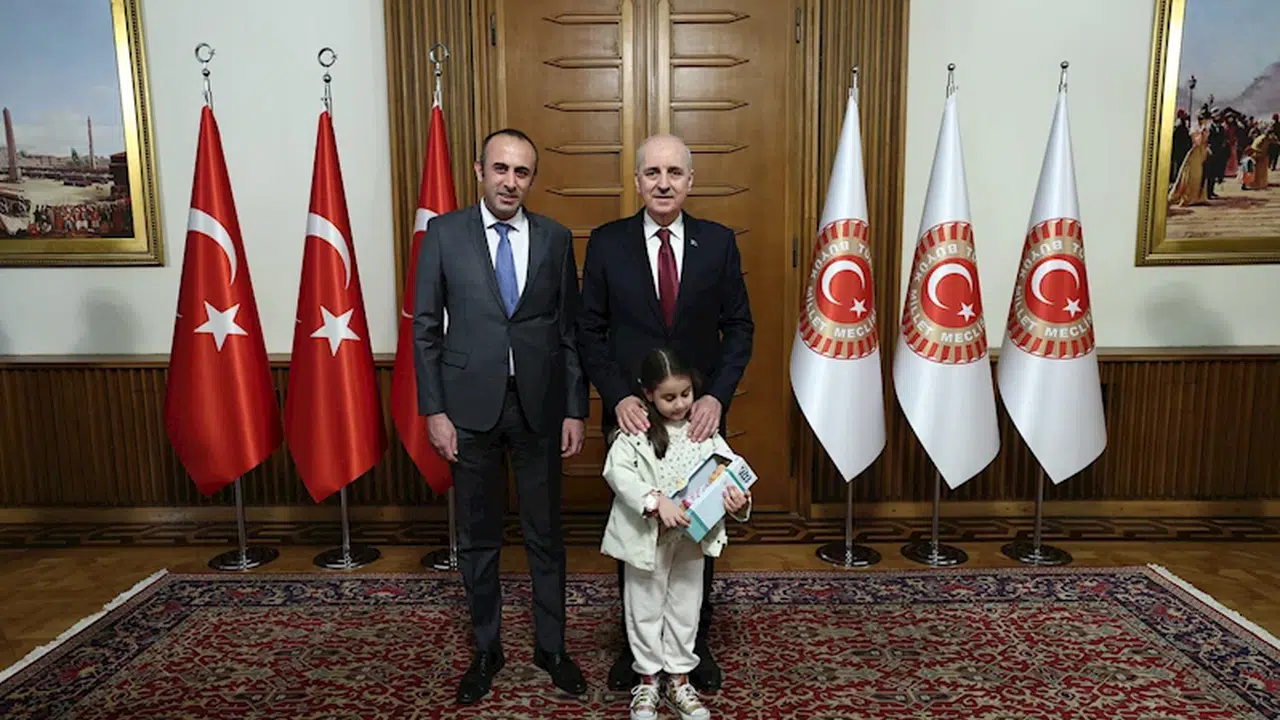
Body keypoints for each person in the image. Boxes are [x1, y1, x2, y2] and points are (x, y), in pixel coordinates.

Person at [413, 127, 589, 705]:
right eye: (500, 169)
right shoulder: (444, 234)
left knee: (546, 536)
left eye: (521, 172)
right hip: (468, 409)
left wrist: (574, 409)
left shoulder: (555, 238)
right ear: (479, 171)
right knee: (479, 538)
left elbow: (569, 332)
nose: (510, 181)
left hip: (540, 407)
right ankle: (487, 649)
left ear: (531, 179)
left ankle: (551, 649)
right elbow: (425, 330)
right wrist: (435, 411)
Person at [577, 133, 754, 693]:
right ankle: (639, 654)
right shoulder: (607, 243)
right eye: (652, 172)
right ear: (637, 181)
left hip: (698, 416)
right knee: (640, 525)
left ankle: (692, 647)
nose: (663, 182)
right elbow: (589, 330)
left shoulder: (718, 243)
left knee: (699, 528)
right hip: (632, 413)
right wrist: (617, 395)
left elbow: (739, 328)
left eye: (674, 172)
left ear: (690, 181)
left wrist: (716, 396)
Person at [600, 348, 751, 720]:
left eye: (686, 394)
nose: (680, 404)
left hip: (690, 541)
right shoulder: (634, 433)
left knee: (686, 607)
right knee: (644, 608)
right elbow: (617, 474)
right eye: (669, 397)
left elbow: (730, 473)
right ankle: (648, 681)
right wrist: (655, 501)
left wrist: (738, 500)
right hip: (646, 539)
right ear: (648, 393)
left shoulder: (703, 432)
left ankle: (680, 680)